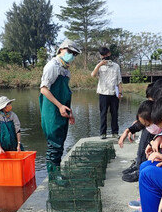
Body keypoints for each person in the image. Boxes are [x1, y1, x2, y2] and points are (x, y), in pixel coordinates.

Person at [39, 39, 81, 175]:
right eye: (69, 52)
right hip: (52, 110)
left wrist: (69, 111)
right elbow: (44, 89)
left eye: (74, 54)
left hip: (62, 110)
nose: (72, 55)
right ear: (61, 50)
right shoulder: (52, 66)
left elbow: (65, 93)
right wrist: (59, 106)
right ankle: (53, 177)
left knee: (60, 142)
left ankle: (57, 173)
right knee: (54, 144)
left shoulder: (65, 69)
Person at [91, 46, 122, 139]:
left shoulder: (116, 66)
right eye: (102, 55)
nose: (105, 56)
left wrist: (120, 92)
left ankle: (115, 132)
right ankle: (102, 133)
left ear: (109, 54)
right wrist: (99, 65)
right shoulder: (99, 66)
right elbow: (93, 75)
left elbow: (119, 80)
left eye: (106, 54)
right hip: (103, 93)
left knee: (114, 114)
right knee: (103, 113)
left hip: (114, 93)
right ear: (101, 56)